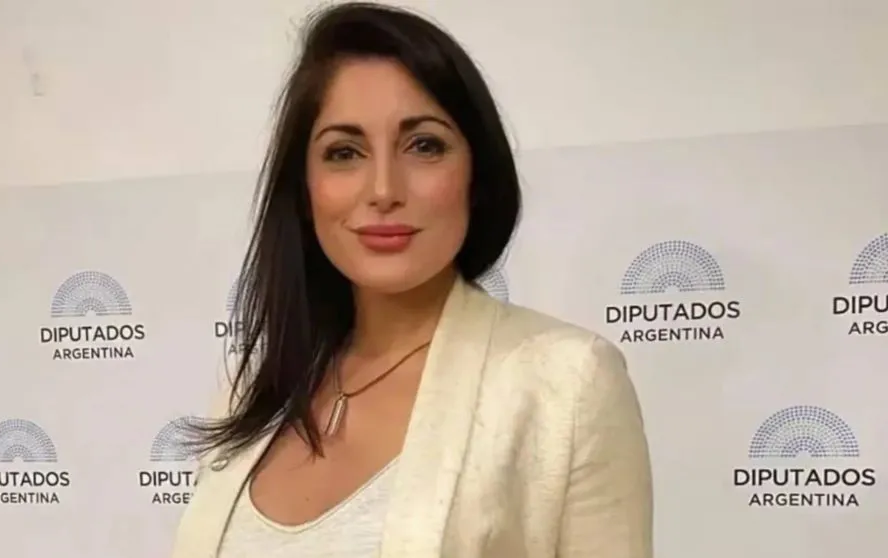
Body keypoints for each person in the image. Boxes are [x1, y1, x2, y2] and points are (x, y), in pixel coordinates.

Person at [173, 2, 653, 557]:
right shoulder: (251, 391)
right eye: (344, 152)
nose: (383, 189)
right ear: (303, 189)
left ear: (477, 173)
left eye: (424, 145)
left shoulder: (568, 383)